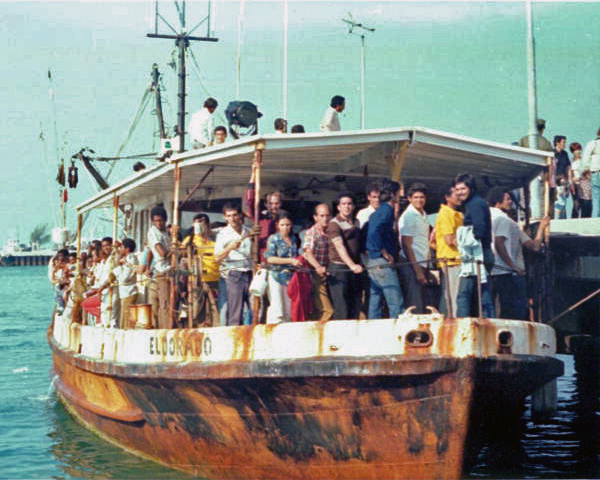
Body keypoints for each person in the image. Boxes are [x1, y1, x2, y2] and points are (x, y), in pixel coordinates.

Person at [487, 187, 549, 320]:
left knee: (493, 309)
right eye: (507, 199)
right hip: (510, 272)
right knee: (514, 310)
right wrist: (513, 265)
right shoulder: (504, 221)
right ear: (498, 202)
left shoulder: (487, 217)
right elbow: (499, 244)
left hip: (490, 271)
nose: (510, 202)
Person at [453, 173, 495, 318]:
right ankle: (489, 320)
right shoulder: (474, 203)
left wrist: (462, 235)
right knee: (483, 292)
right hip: (482, 252)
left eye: (463, 188)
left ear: (470, 187)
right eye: (457, 189)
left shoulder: (475, 203)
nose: (460, 192)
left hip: (478, 254)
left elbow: (479, 230)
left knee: (464, 294)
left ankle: (462, 324)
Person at [365, 179, 405, 319]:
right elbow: (373, 232)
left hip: (373, 261)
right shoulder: (386, 210)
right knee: (396, 303)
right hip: (381, 262)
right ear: (392, 194)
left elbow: (367, 230)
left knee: (375, 303)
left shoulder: (378, 212)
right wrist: (383, 251)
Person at [214, 203, 254, 326]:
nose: (232, 218)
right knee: (236, 312)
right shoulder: (223, 234)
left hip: (250, 272)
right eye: (229, 216)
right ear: (225, 217)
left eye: (235, 215)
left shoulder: (248, 231)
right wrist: (229, 248)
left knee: (256, 308)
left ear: (240, 215)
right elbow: (217, 257)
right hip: (234, 274)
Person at [326, 192, 363, 320]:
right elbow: (339, 247)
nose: (347, 206)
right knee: (341, 309)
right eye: (344, 204)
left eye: (349, 204)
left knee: (354, 308)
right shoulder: (334, 224)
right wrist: (352, 265)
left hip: (354, 270)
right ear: (339, 207)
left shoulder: (356, 222)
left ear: (353, 207)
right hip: (339, 270)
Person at [397, 183, 433, 314]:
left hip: (422, 262)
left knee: (423, 302)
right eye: (416, 197)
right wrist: (417, 270)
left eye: (422, 197)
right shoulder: (408, 216)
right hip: (411, 263)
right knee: (414, 302)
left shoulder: (423, 214)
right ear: (410, 198)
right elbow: (406, 245)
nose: (419, 200)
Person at [264, 213, 300, 323]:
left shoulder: (294, 239)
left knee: (288, 308)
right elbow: (270, 258)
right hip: (276, 276)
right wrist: (290, 261)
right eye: (283, 225)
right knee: (277, 306)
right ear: (278, 225)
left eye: (288, 225)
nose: (285, 227)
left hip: (290, 278)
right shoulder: (273, 238)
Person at [434, 185, 463, 316]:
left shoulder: (457, 214)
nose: (460, 197)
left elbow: (433, 240)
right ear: (447, 197)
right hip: (452, 261)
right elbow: (449, 239)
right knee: (452, 297)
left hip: (455, 260)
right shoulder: (446, 213)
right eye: (456, 195)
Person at [302, 203, 333, 321]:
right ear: (315, 217)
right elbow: (308, 253)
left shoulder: (331, 231)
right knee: (327, 310)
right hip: (315, 274)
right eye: (322, 216)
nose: (325, 218)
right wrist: (318, 267)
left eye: (327, 215)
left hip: (329, 272)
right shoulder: (312, 232)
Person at [147, 206, 172, 329]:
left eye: (161, 220)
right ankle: (163, 328)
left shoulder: (166, 232)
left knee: (168, 303)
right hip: (162, 271)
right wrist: (175, 251)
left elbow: (150, 251)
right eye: (156, 221)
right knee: (164, 303)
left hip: (170, 270)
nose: (159, 223)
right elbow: (161, 252)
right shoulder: (153, 232)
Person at [112, 238, 139, 329]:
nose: (120, 249)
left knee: (126, 320)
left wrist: (118, 267)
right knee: (123, 319)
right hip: (125, 294)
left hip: (129, 293)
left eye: (122, 247)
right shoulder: (127, 258)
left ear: (127, 249)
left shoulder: (131, 259)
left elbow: (124, 278)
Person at [582, 127, 600, 217]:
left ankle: (596, 219)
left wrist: (586, 168)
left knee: (596, 198)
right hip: (596, 172)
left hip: (596, 172)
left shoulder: (593, 143)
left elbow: (586, 157)